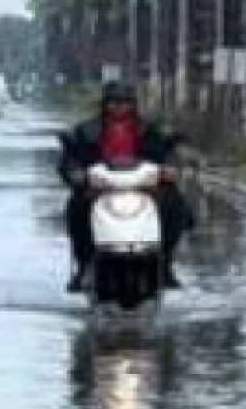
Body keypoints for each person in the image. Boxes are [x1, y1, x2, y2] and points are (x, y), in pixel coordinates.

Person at [59, 81, 191, 293]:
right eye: (114, 102)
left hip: (144, 186)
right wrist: (76, 174)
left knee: (175, 204)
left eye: (125, 102)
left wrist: (170, 168)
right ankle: (85, 265)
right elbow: (71, 157)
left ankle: (164, 263)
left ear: (133, 104)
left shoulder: (150, 129)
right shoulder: (85, 131)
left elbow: (168, 152)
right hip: (102, 186)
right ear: (105, 104)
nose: (119, 107)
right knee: (78, 207)